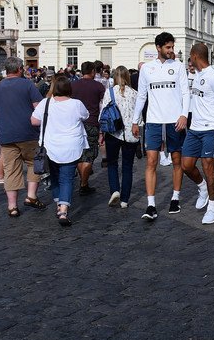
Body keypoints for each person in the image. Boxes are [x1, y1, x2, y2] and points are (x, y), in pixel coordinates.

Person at [132, 32, 190, 220]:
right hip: (154, 121)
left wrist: (183, 115)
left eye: (172, 47)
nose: (171, 50)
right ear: (158, 48)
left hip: (175, 120)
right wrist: (135, 120)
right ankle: (151, 204)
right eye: (168, 47)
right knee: (151, 162)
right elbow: (141, 96)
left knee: (176, 160)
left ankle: (175, 197)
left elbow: (186, 93)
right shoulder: (147, 69)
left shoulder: (179, 66)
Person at [0, 56, 47, 217]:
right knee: (33, 163)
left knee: (11, 169)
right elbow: (38, 107)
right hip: (28, 132)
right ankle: (31, 196)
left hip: (6, 134)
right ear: (20, 69)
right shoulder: (27, 84)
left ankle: (12, 206)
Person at [182, 43, 214, 224]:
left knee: (208, 167)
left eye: (190, 57)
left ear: (194, 56)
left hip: (211, 129)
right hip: (195, 129)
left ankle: (212, 207)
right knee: (186, 166)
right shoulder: (197, 75)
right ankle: (201, 187)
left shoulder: (213, 75)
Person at [31, 75, 88, 226]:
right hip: (71, 145)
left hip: (51, 146)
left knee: (55, 177)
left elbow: (34, 121)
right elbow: (85, 116)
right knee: (67, 178)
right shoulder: (76, 104)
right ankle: (63, 211)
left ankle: (58, 204)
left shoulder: (46, 103)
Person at [101, 66, 139, 208]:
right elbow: (139, 115)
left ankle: (115, 190)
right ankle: (125, 200)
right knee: (127, 166)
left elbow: (103, 112)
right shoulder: (135, 93)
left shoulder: (109, 92)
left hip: (113, 132)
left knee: (112, 163)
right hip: (130, 134)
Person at [71, 61, 106, 195]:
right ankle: (83, 184)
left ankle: (83, 181)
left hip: (76, 124)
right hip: (92, 122)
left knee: (80, 155)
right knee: (89, 155)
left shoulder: (73, 85)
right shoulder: (98, 86)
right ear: (92, 71)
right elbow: (104, 104)